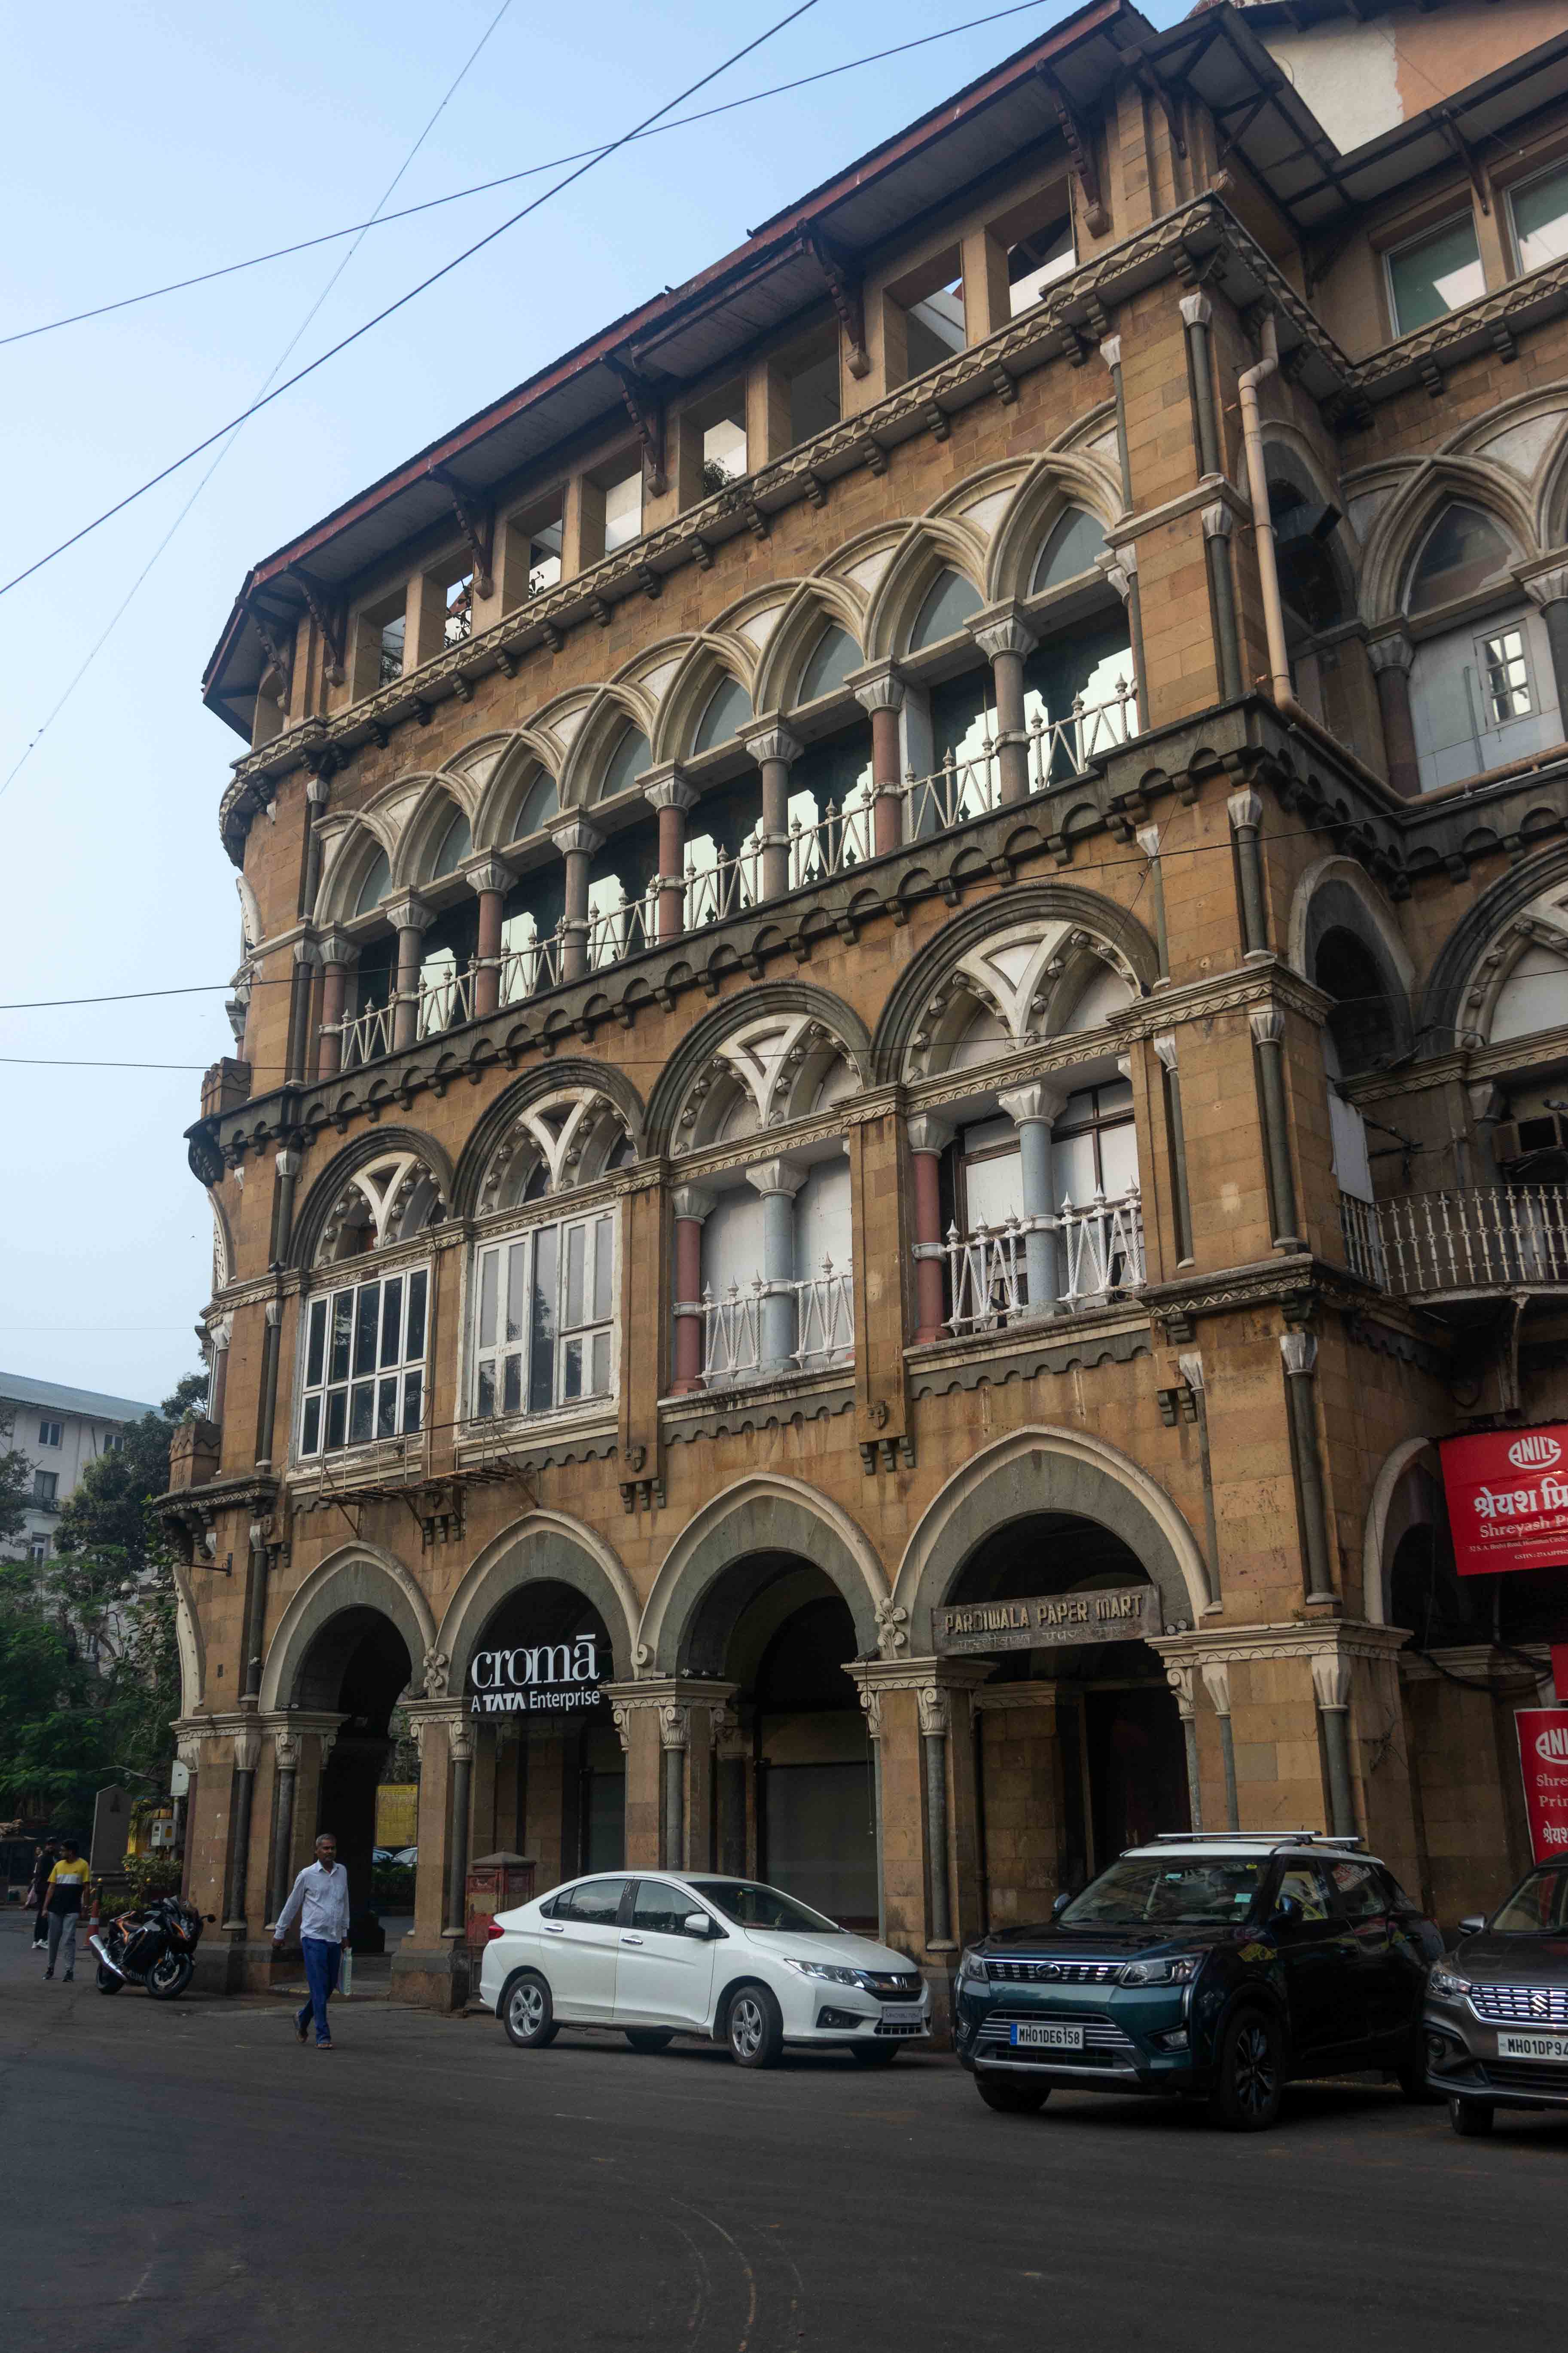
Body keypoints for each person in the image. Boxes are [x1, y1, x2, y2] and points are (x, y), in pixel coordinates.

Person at [273, 1831, 351, 2048]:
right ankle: (323, 2035)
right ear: (317, 1852)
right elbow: (292, 1904)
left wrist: (345, 1933)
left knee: (328, 1988)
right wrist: (280, 1932)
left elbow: (345, 1902)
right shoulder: (307, 1875)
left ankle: (303, 2017)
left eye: (332, 1848)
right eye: (325, 1848)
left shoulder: (342, 1872)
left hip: (334, 1938)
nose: (329, 1852)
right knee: (318, 1987)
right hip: (313, 1937)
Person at [41, 1840, 90, 1980]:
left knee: (69, 1939)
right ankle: (50, 1968)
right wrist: (45, 1908)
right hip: (55, 1908)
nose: (61, 1852)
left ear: (71, 1852)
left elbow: (87, 1889)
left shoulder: (83, 1865)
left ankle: (69, 1971)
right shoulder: (59, 1865)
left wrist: (85, 1908)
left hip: (72, 1908)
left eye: (63, 1850)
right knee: (53, 1939)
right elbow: (52, 1887)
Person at [25, 1841, 60, 1950]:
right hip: (45, 1888)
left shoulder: (51, 1858)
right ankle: (42, 1939)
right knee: (45, 1913)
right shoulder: (45, 1858)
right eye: (49, 1844)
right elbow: (43, 1874)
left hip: (43, 1888)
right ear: (46, 1846)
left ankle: (37, 1940)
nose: (51, 1846)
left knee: (42, 1913)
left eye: (53, 1844)